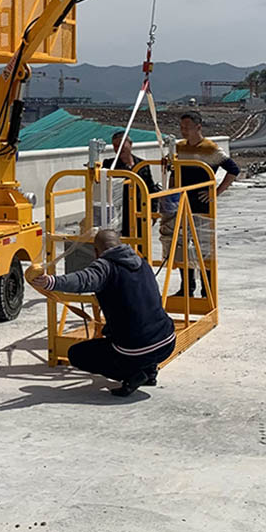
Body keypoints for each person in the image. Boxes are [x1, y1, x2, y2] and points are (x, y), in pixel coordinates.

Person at [31, 228, 176, 398]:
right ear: (121, 244)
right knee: (136, 331)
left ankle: (133, 375)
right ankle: (150, 372)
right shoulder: (141, 263)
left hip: (136, 348)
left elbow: (82, 280)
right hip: (167, 341)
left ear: (96, 251)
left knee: (77, 354)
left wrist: (51, 282)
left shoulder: (106, 267)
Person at [162, 110, 240, 298]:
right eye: (181, 127)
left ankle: (208, 290)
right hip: (180, 204)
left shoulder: (210, 149)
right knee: (181, 248)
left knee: (204, 250)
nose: (183, 131)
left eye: (187, 128)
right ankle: (186, 288)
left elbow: (233, 170)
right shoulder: (179, 147)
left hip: (202, 207)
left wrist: (215, 192)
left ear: (198, 127)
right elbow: (173, 171)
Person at [103, 131, 159, 240]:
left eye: (121, 145)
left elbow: (151, 189)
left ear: (130, 144)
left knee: (141, 243)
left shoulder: (142, 165)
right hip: (121, 215)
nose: (119, 149)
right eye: (115, 146)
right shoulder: (109, 165)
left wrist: (153, 211)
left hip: (139, 212)